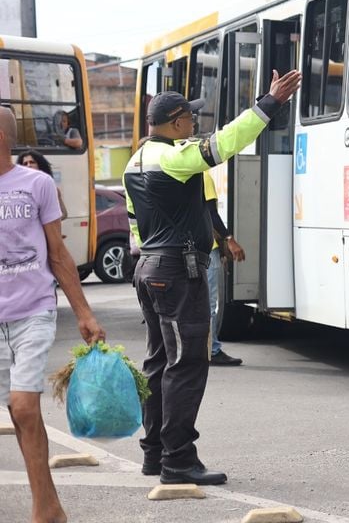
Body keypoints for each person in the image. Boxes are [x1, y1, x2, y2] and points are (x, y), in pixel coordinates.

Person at [123, 70, 300, 486]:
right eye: (190, 118)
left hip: (148, 269)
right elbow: (225, 143)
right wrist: (269, 103)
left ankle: (155, 453)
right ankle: (179, 460)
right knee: (187, 364)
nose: (195, 125)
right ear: (176, 122)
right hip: (177, 273)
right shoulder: (174, 157)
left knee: (159, 362)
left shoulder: (134, 162)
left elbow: (135, 227)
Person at [0, 105, 105, 523]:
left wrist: (84, 313)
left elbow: (58, 253)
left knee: (24, 407)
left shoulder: (36, 184)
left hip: (32, 312)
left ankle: (46, 508)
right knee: (17, 411)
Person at [203, 170, 244, 367]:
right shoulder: (202, 176)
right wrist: (228, 239)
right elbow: (210, 213)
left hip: (184, 249)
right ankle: (212, 350)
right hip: (205, 249)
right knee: (209, 304)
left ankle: (198, 350)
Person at [16, 149, 67, 219]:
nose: (29, 165)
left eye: (32, 162)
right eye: (25, 163)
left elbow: (64, 214)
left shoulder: (50, 187)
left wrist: (44, 221)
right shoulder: (17, 189)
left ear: (39, 164)